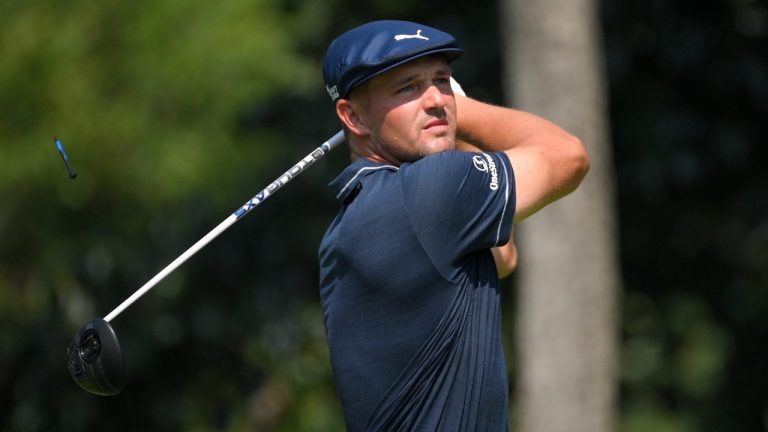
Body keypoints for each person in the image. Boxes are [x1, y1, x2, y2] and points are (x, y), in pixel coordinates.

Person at [318, 20, 589, 431]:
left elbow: (502, 257)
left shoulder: (358, 216)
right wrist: (464, 112)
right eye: (407, 87)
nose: (435, 100)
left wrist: (445, 128)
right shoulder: (427, 194)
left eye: (442, 81)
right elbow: (568, 155)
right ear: (353, 116)